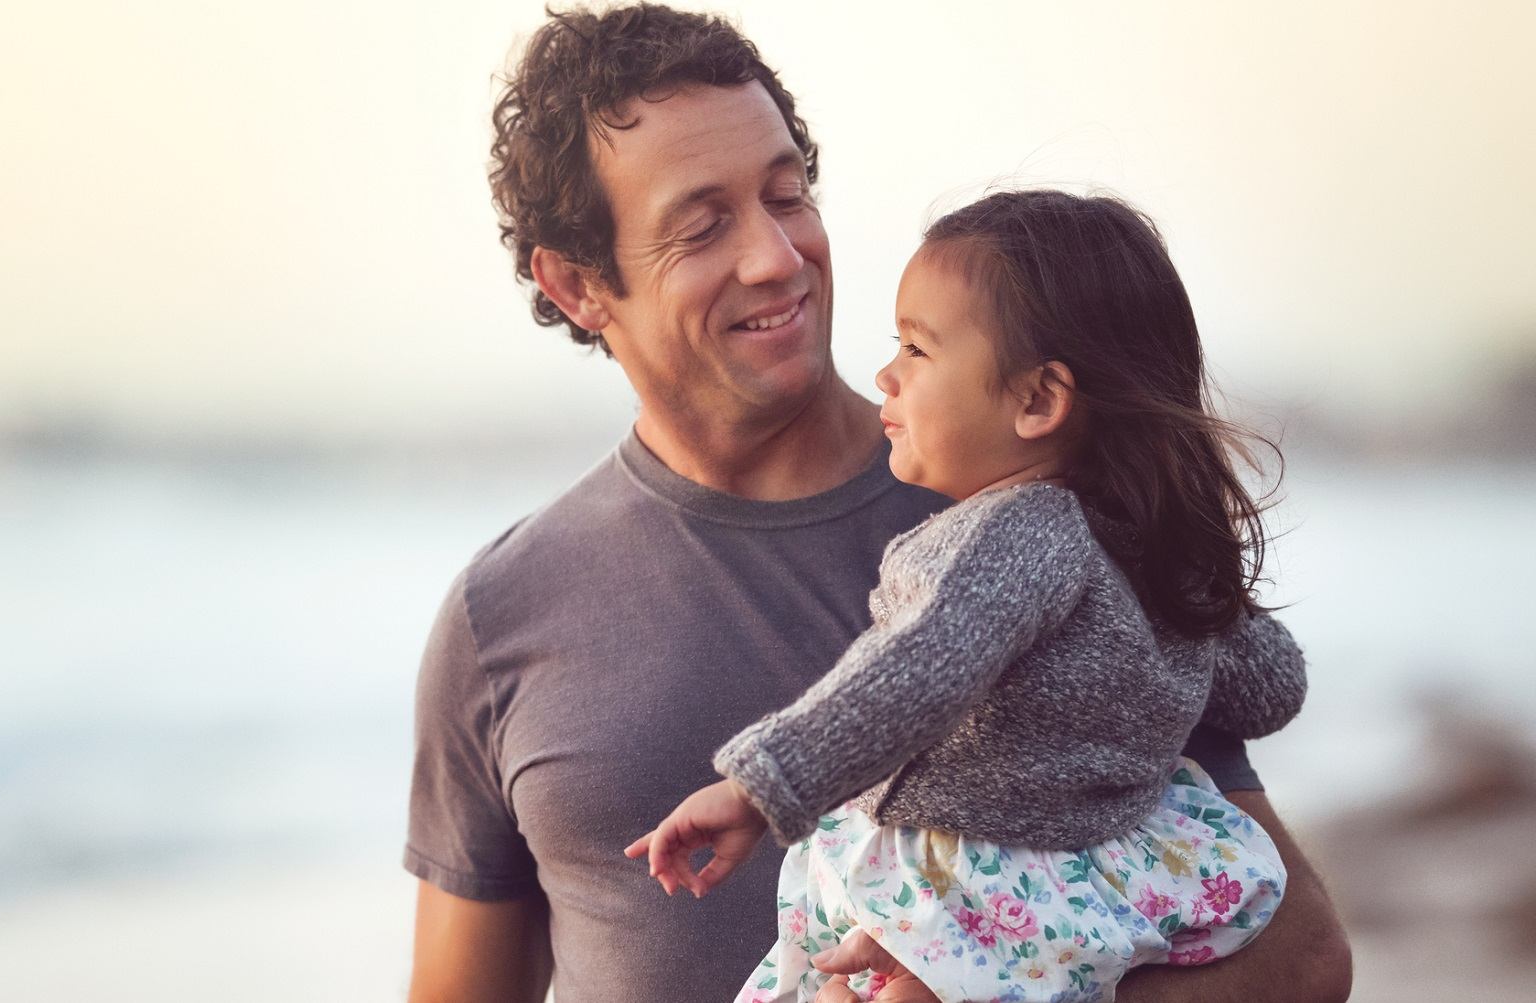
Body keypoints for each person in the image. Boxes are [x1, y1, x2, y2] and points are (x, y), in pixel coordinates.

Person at [404, 6, 1352, 1002]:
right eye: (702, 225)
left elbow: (1303, 960)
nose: (777, 255)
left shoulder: (1056, 515)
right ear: (577, 283)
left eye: (787, 193)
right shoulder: (499, 617)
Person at [628, 189, 1306, 1003]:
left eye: (916, 349)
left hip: (972, 889)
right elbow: (1271, 688)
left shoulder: (1012, 535)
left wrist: (757, 788)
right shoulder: (1150, 551)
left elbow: (914, 671)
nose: (886, 373)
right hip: (1104, 889)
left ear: (1035, 401)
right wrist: (1204, 594)